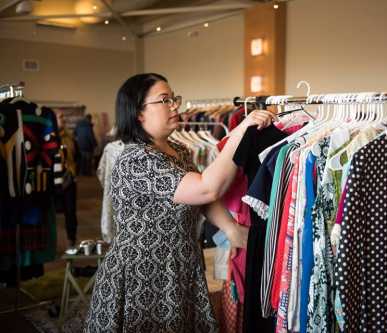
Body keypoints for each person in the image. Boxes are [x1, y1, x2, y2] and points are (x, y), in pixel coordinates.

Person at [84, 73, 275, 332]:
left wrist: (231, 229)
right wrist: (241, 130)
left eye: (174, 98)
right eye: (164, 100)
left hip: (180, 265)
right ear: (138, 113)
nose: (175, 105)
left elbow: (200, 199)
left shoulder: (178, 150)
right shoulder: (137, 160)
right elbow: (206, 189)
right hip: (144, 275)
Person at [54, 110, 79, 248]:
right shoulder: (49, 137)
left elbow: (77, 156)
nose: (62, 119)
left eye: (63, 117)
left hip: (69, 179)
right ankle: (51, 242)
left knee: (70, 211)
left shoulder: (70, 138)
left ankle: (71, 238)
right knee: (52, 213)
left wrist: (74, 172)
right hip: (53, 181)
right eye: (59, 117)